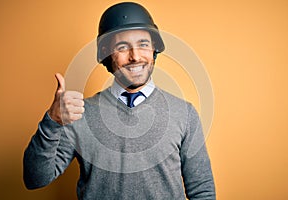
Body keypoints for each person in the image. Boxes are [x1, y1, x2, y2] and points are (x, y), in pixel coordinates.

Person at [23, 2, 216, 200]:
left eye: (143, 44)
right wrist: (52, 123)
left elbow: (202, 191)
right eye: (122, 47)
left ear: (153, 50)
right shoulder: (79, 114)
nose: (135, 56)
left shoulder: (184, 113)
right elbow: (35, 179)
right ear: (107, 53)